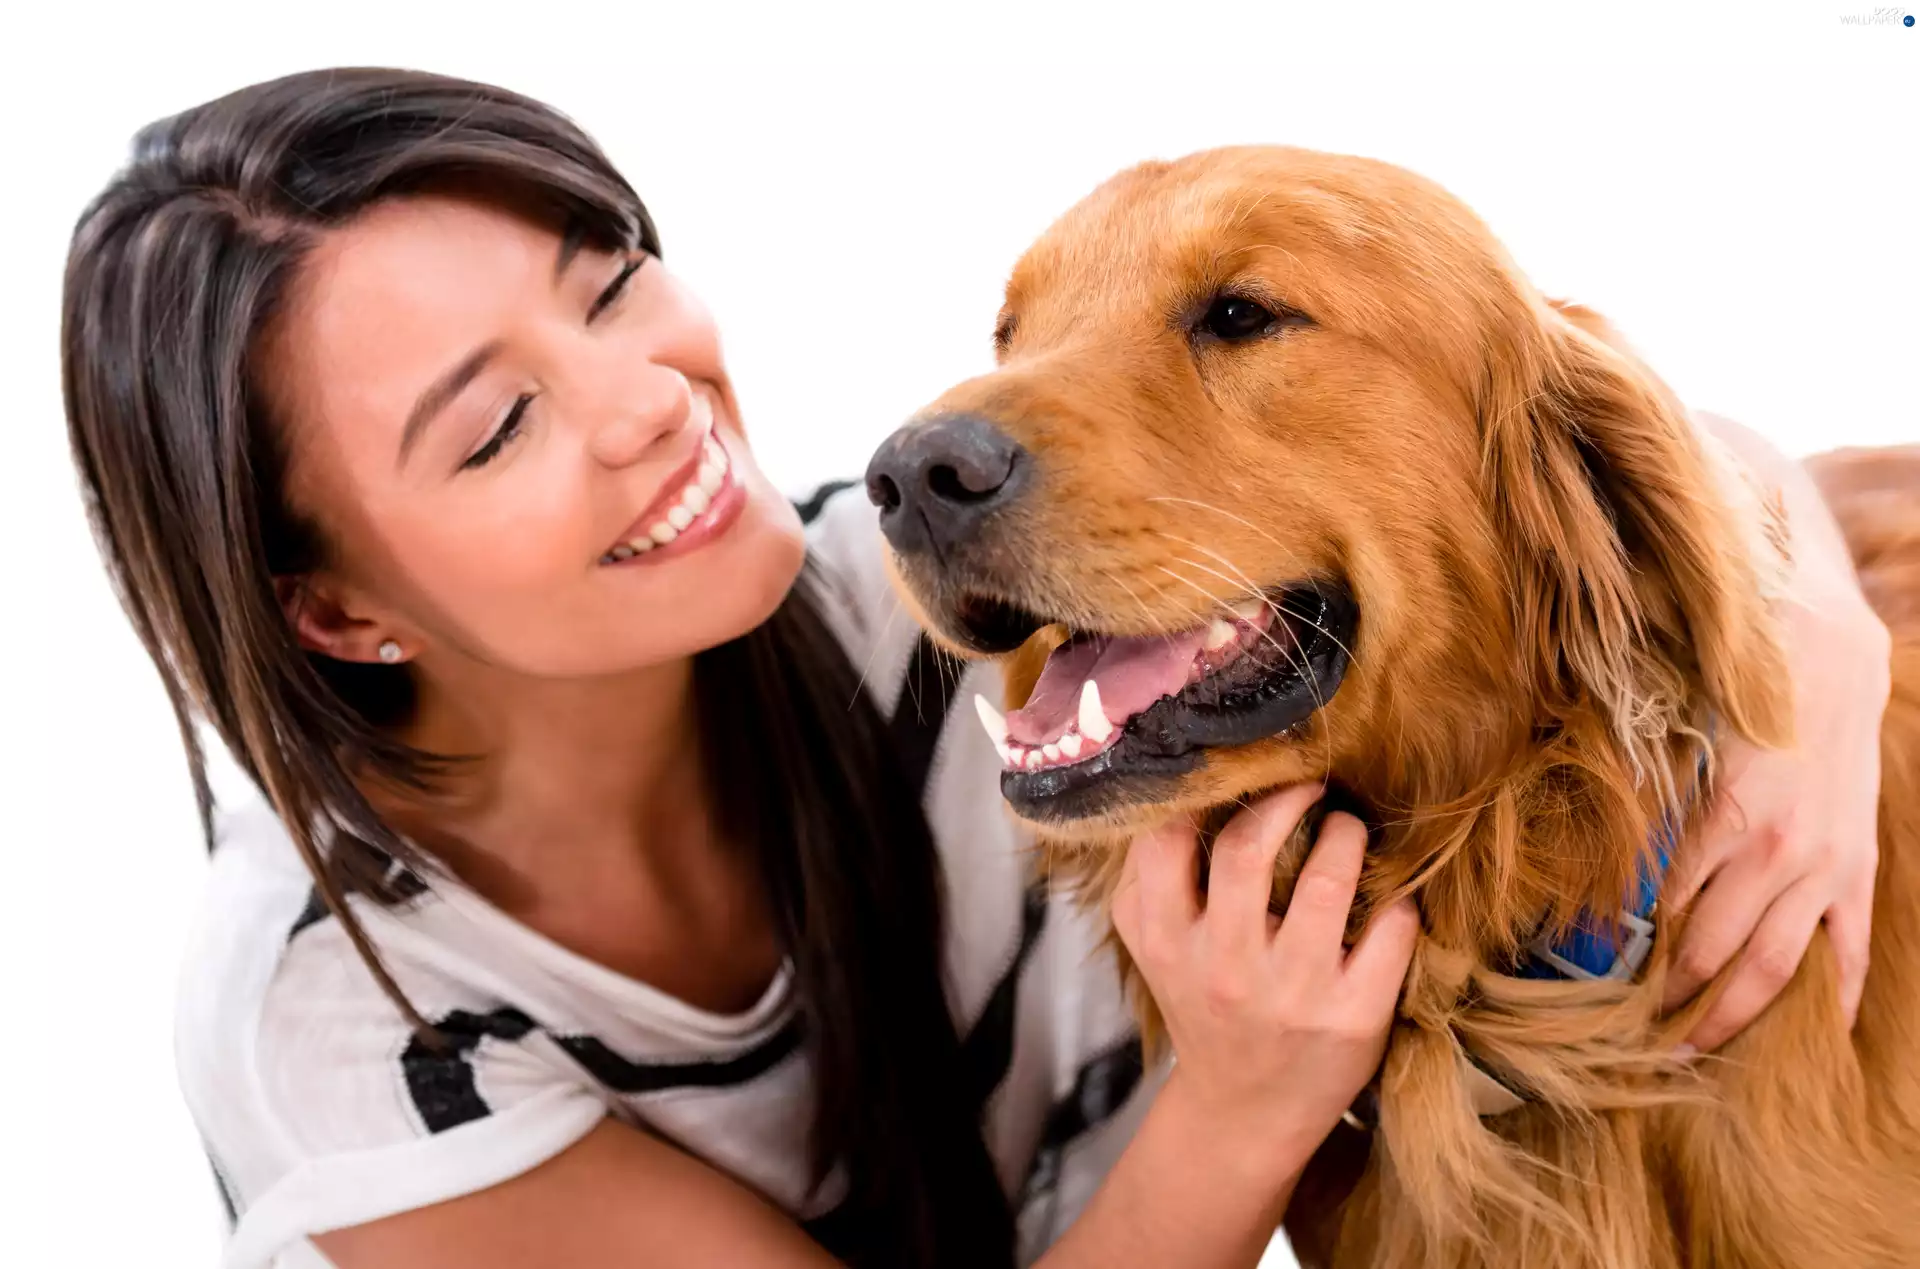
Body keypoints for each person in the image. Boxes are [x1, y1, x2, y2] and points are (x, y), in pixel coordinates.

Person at [59, 68, 1890, 1269]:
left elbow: (1574, 431)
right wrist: (1247, 1092)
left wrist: (1806, 644)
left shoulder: (899, 601)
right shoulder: (352, 1028)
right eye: (498, 425)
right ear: (340, 613)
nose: (647, 401)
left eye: (609, 281)